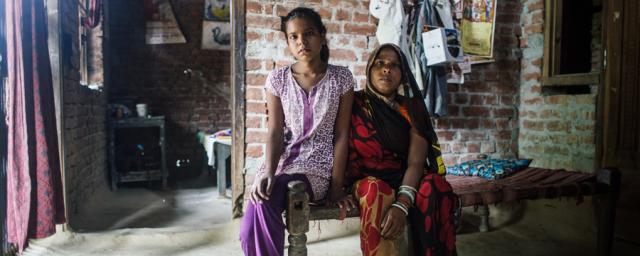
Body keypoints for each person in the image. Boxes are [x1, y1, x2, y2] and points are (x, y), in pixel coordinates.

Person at [239, 7, 355, 256]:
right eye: (294, 36)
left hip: (316, 168)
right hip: (280, 166)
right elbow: (275, 132)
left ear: (322, 36)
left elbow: (342, 135)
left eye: (309, 33)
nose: (301, 41)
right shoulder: (277, 79)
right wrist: (268, 170)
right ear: (288, 42)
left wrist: (336, 187)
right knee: (247, 231)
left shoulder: (341, 79)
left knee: (268, 197)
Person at [335, 43, 457, 255]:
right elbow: (336, 141)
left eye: (394, 65)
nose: (386, 69)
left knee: (436, 185)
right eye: (379, 63)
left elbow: (416, 162)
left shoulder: (412, 108)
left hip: (404, 180)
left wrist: (402, 203)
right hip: (366, 182)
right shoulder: (353, 103)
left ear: (403, 74)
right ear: (369, 69)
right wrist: (336, 188)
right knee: (376, 190)